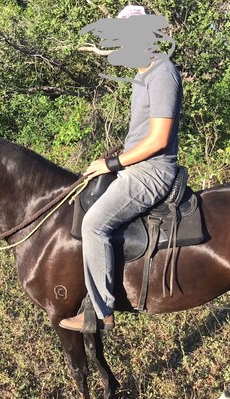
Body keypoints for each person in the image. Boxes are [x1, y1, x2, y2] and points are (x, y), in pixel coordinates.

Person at [59, 5, 182, 332]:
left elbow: (158, 139)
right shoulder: (142, 76)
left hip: (152, 172)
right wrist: (114, 157)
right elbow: (141, 133)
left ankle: (100, 315)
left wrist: (111, 163)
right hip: (135, 165)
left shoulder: (162, 73)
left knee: (94, 225)